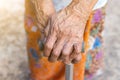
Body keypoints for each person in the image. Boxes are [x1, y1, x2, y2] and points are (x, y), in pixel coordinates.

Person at [24, 0, 107, 80]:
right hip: (41, 8)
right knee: (44, 63)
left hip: (89, 6)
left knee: (86, 64)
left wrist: (79, 11)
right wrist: (42, 9)